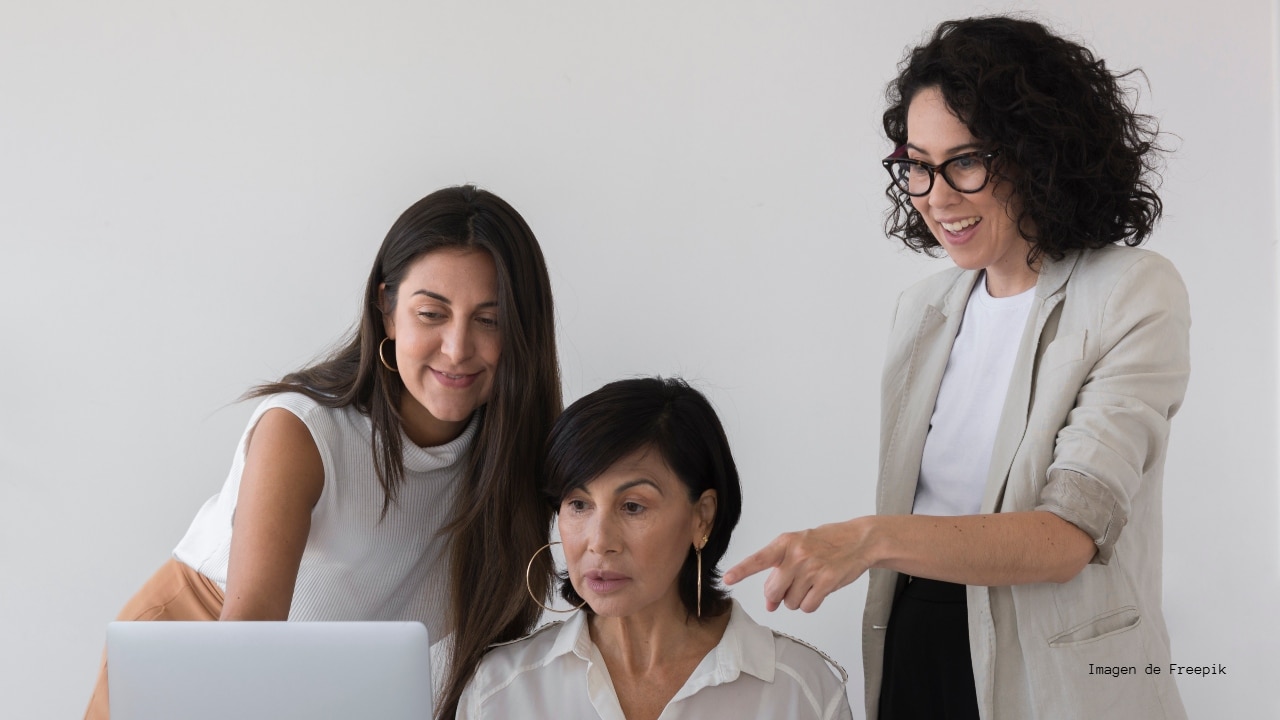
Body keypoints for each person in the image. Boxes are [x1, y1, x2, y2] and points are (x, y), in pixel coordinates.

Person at [725, 16, 1190, 719]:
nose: (936, 195)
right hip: (920, 643)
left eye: (965, 161)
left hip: (1055, 672)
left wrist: (866, 539)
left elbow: (1067, 537)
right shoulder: (925, 309)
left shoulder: (1131, 291)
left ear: (1041, 155)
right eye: (916, 164)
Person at [85, 185, 562, 720]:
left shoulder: (517, 456)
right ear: (387, 310)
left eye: (489, 320)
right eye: (431, 313)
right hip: (202, 647)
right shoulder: (303, 432)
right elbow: (247, 640)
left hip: (321, 684)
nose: (456, 348)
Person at [458, 377, 852, 719]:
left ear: (703, 517)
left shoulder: (800, 692)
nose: (599, 542)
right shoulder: (500, 691)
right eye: (578, 504)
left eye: (632, 506)